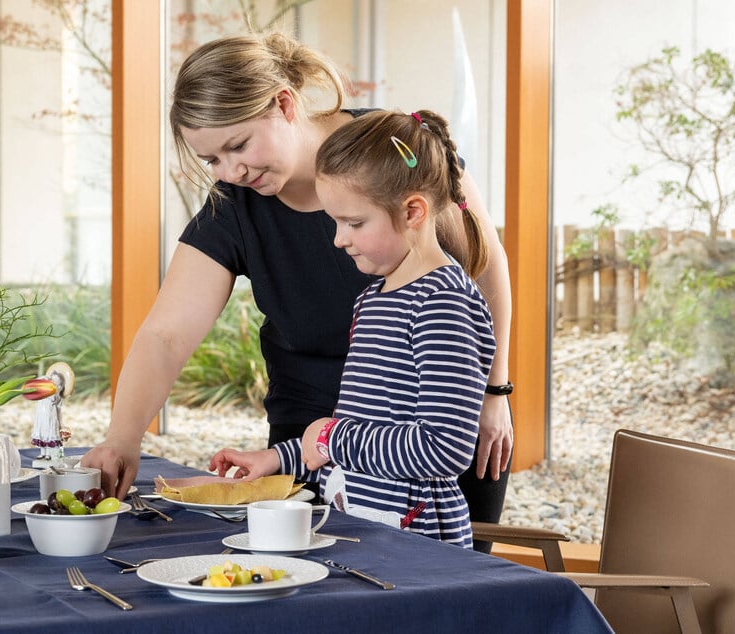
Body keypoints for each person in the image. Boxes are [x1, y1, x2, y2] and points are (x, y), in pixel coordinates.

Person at [81, 32, 514, 550]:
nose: (232, 171)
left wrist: (494, 393)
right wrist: (122, 438)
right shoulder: (235, 205)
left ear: (285, 104)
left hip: (426, 434)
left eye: (238, 145)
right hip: (310, 447)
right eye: (212, 159)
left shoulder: (390, 148)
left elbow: (484, 266)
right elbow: (167, 334)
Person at [208, 109, 495, 547]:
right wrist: (277, 457)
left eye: (354, 223)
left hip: (416, 553)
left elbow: (444, 447)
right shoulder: (373, 298)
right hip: (363, 533)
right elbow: (357, 430)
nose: (339, 239)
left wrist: (331, 436)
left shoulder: (441, 302)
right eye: (335, 222)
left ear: (413, 210)